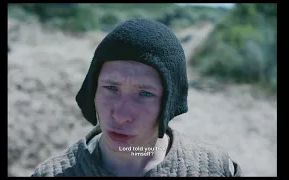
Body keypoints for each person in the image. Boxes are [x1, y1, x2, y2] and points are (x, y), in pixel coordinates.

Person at [31, 18, 241, 177]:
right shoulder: (50, 174)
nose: (121, 115)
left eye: (145, 93)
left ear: (168, 103)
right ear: (92, 89)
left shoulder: (218, 170)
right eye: (111, 88)